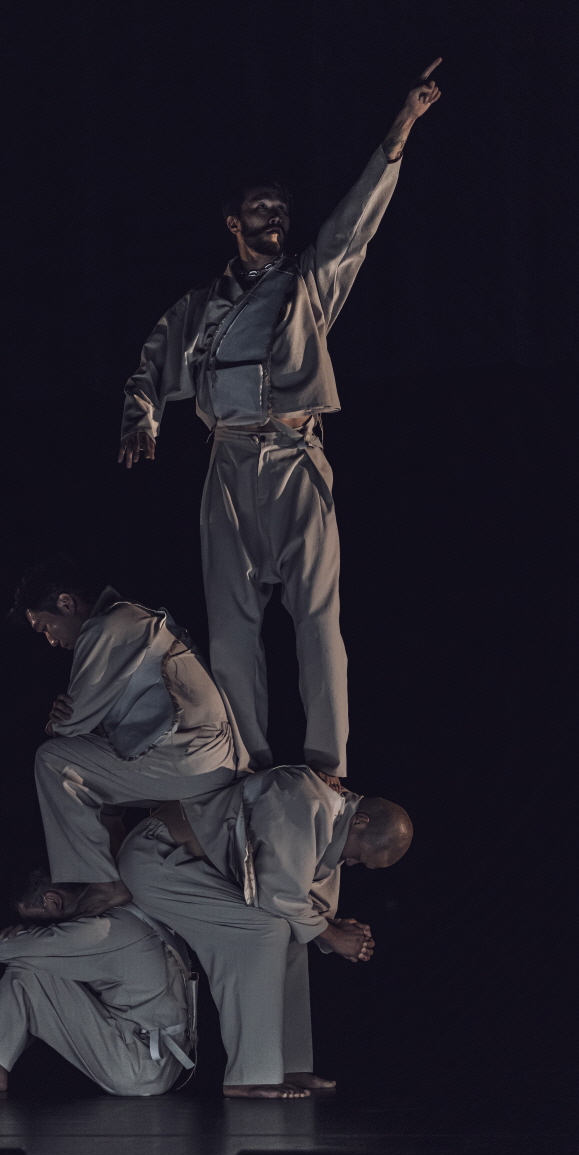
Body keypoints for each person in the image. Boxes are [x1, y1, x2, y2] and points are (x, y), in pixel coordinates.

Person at [118, 61, 442, 783]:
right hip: (228, 465)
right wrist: (142, 420)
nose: (275, 218)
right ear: (234, 222)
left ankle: (329, 766)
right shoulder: (199, 306)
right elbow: (151, 365)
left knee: (317, 619)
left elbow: (355, 225)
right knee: (232, 630)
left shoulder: (307, 284)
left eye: (281, 210)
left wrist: (400, 129)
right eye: (260, 208)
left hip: (294, 456)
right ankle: (247, 766)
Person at [118, 768, 412, 1097]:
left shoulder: (335, 823)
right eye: (358, 856)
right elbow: (278, 894)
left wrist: (334, 928)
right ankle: (249, 1075)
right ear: (361, 821)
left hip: (194, 871)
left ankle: (289, 1066)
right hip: (157, 858)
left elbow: (302, 902)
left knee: (289, 934)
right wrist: (333, 936)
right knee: (263, 930)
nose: (353, 863)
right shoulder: (304, 797)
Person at [11, 558, 239, 912]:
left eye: (46, 627)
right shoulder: (128, 618)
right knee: (93, 781)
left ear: (66, 603)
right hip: (200, 758)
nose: (51, 641)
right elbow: (87, 718)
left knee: (52, 760)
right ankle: (112, 867)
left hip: (194, 759)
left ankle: (104, 885)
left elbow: (71, 723)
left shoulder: (108, 626)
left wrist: (59, 722)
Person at [0, 873, 194, 1102]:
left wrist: (27, 934)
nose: (35, 926)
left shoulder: (103, 930)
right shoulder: (134, 913)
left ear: (52, 901)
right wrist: (38, 934)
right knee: (43, 972)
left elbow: (1, 951)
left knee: (26, 974)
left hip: (139, 1069)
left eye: (35, 919)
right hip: (160, 1058)